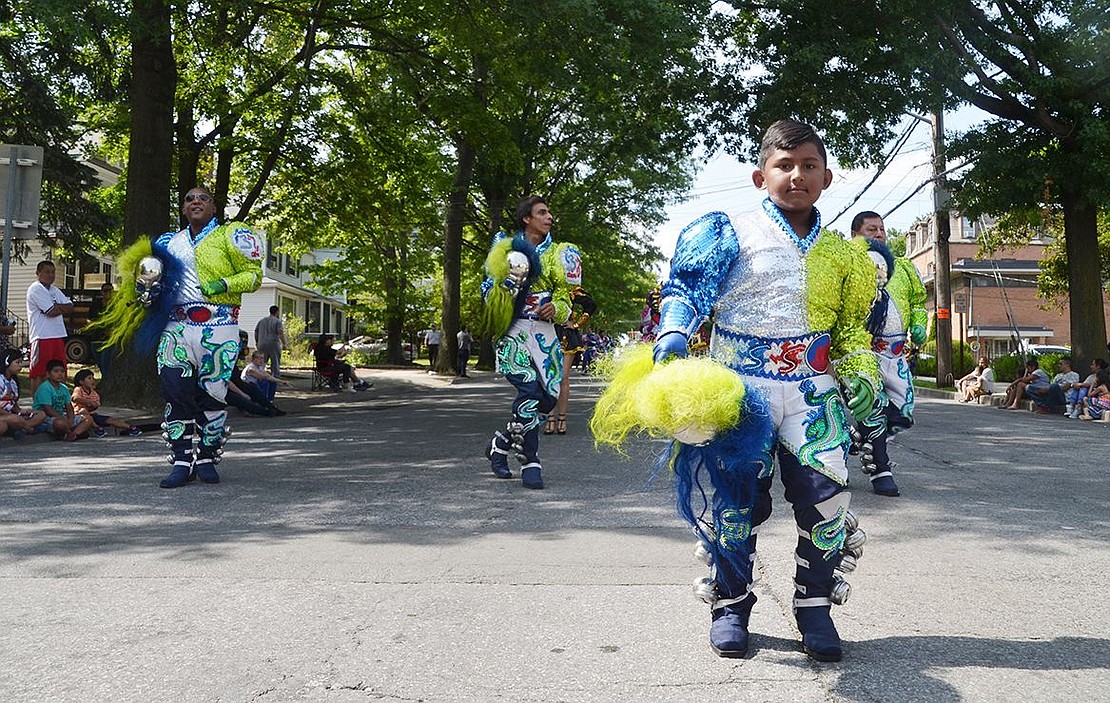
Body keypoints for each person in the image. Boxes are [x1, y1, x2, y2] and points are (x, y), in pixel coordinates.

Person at [591, 119, 880, 662]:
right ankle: (731, 604)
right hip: (736, 390)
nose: (797, 176)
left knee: (828, 499)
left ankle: (814, 605)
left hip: (812, 393)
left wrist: (862, 371)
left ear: (828, 177)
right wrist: (674, 333)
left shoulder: (846, 256)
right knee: (734, 503)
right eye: (784, 165)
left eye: (809, 166)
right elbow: (686, 290)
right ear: (759, 175)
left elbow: (849, 333)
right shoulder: (728, 230)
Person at [88, 186, 264, 488]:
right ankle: (182, 460)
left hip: (219, 324)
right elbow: (147, 285)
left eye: (203, 198)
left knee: (213, 393)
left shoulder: (231, 234)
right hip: (177, 327)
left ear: (213, 206)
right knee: (174, 390)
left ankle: (207, 457)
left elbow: (254, 275)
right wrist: (147, 292)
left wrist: (220, 284)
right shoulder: (168, 243)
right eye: (189, 199)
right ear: (183, 209)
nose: (196, 202)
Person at [479, 195, 573, 489]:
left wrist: (556, 309)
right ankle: (531, 461)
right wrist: (506, 290)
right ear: (526, 218)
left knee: (549, 397)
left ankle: (500, 442)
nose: (549, 217)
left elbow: (566, 297)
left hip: (544, 332)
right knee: (529, 390)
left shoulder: (558, 254)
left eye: (550, 213)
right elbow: (487, 291)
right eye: (542, 213)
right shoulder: (504, 249)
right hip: (514, 330)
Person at [850, 213, 927, 497]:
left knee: (902, 412)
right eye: (872, 229)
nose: (880, 233)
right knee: (872, 407)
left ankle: (854, 439)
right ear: (856, 235)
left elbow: (919, 301)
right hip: (862, 351)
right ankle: (882, 470)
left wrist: (920, 324)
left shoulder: (904, 268)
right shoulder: (849, 267)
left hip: (896, 356)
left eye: (882, 229)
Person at [548, 260, 597, 435]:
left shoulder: (570, 290)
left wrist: (576, 325)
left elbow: (591, 305)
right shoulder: (543, 286)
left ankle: (561, 418)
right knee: (548, 378)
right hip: (544, 334)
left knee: (562, 378)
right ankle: (550, 418)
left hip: (565, 336)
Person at [25, 260, 73, 395]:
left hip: (57, 335)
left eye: (53, 272)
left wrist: (57, 307)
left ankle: (59, 403)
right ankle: (38, 405)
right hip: (42, 336)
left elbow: (70, 307)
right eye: (47, 272)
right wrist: (58, 307)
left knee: (60, 371)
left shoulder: (54, 290)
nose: (51, 275)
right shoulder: (35, 288)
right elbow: (50, 312)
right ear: (38, 273)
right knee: (39, 372)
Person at [33, 359, 96, 441]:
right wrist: (63, 419)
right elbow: (48, 409)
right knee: (59, 424)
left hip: (62, 416)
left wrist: (70, 419)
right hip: (47, 417)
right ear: (48, 374)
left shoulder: (64, 388)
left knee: (88, 418)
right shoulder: (45, 388)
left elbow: (69, 406)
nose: (59, 374)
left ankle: (74, 434)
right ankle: (71, 431)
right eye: (56, 371)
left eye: (62, 371)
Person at [71, 368, 143, 437]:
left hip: (92, 414)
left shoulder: (94, 393)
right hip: (80, 415)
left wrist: (93, 405)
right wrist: (88, 402)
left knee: (109, 420)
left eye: (93, 378)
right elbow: (75, 398)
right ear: (81, 382)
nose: (92, 380)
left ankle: (130, 427)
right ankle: (97, 428)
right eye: (89, 378)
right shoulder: (78, 389)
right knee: (83, 411)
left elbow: (96, 405)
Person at [0, 348, 47, 437]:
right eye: (17, 362)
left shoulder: (13, 382)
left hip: (12, 415)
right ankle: (29, 429)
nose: (20, 366)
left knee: (41, 414)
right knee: (12, 421)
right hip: (4, 415)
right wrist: (13, 416)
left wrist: (21, 411)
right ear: (7, 362)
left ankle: (20, 428)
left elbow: (13, 404)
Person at [254, 305, 287, 394]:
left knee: (261, 362)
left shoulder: (261, 321)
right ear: (276, 312)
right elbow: (280, 332)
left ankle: (259, 378)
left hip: (261, 343)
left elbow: (256, 331)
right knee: (275, 362)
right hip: (273, 343)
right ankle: (275, 381)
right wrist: (284, 343)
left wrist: (257, 342)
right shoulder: (277, 321)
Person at [84, 282, 115, 378]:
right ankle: (105, 380)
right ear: (101, 292)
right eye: (105, 290)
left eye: (110, 290)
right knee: (100, 363)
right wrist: (94, 326)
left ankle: (107, 380)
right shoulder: (95, 304)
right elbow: (89, 319)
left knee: (107, 363)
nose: (108, 293)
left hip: (109, 340)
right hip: (96, 338)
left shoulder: (116, 305)